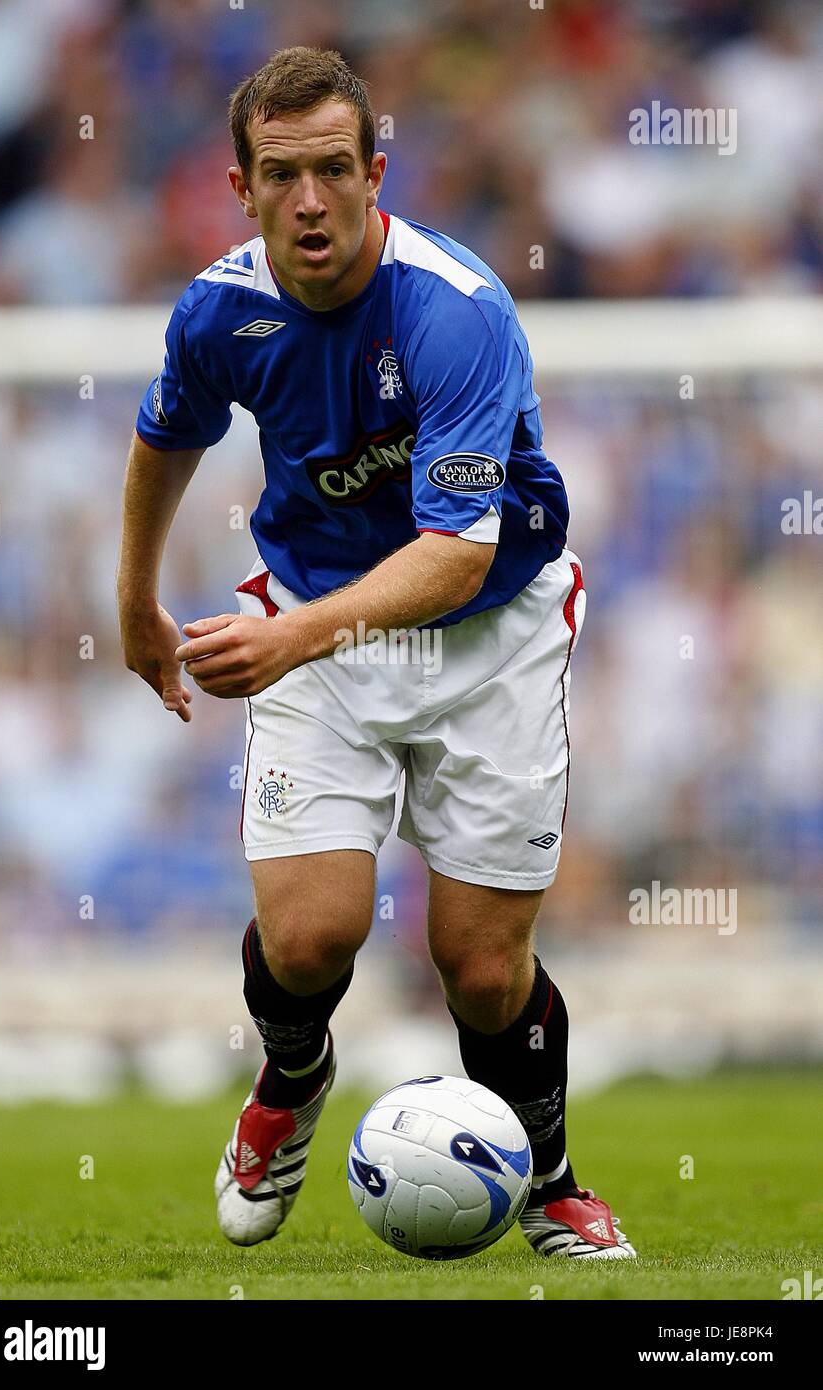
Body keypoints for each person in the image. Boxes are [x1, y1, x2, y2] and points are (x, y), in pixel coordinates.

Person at [117, 46, 636, 1260]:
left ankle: (550, 1179)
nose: (311, 201)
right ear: (240, 189)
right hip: (321, 630)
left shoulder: (454, 311)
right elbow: (162, 440)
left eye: (335, 171)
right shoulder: (218, 311)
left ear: (374, 173)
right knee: (308, 939)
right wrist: (135, 602)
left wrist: (287, 635)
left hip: (486, 632)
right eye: (283, 175)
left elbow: (456, 554)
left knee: (478, 968)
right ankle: (290, 1082)